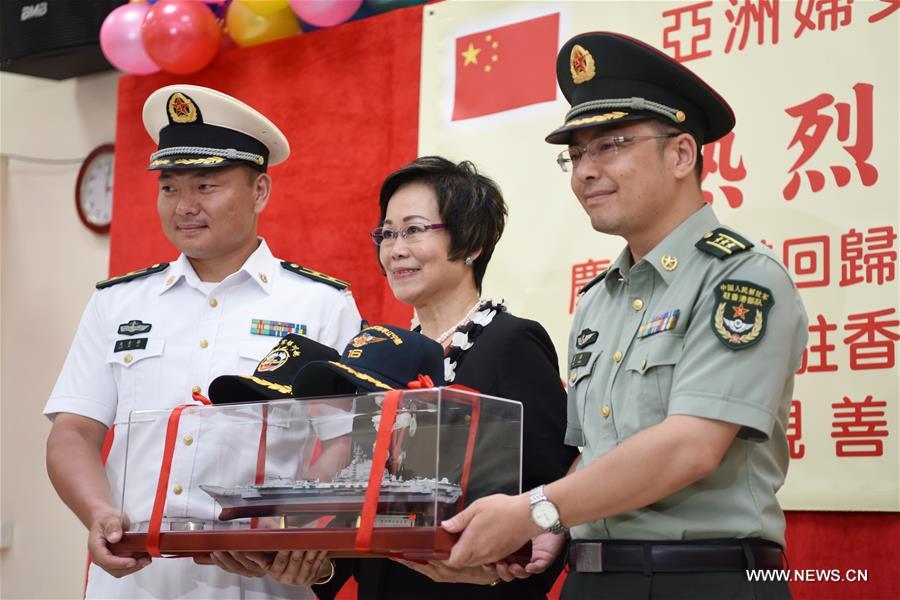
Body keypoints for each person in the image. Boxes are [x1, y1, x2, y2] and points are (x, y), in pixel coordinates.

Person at [440, 32, 809, 600]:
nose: (585, 170)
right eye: (577, 153)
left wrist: (534, 510)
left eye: (610, 145)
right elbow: (598, 450)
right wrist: (552, 529)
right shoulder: (599, 299)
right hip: (591, 579)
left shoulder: (739, 278)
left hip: (703, 579)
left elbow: (690, 446)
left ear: (681, 154)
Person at [44, 84, 362, 599]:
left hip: (260, 586)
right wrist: (99, 513)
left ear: (260, 191)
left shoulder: (321, 305)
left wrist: (295, 532)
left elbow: (346, 443)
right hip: (135, 583)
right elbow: (73, 433)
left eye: (206, 186)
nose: (184, 205)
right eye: (170, 188)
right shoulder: (118, 303)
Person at [267, 156, 578, 599]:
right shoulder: (377, 357)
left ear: (472, 243)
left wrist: (496, 574)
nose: (396, 249)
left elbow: (555, 492)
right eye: (387, 233)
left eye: (413, 230)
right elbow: (360, 499)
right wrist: (312, 567)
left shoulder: (512, 342)